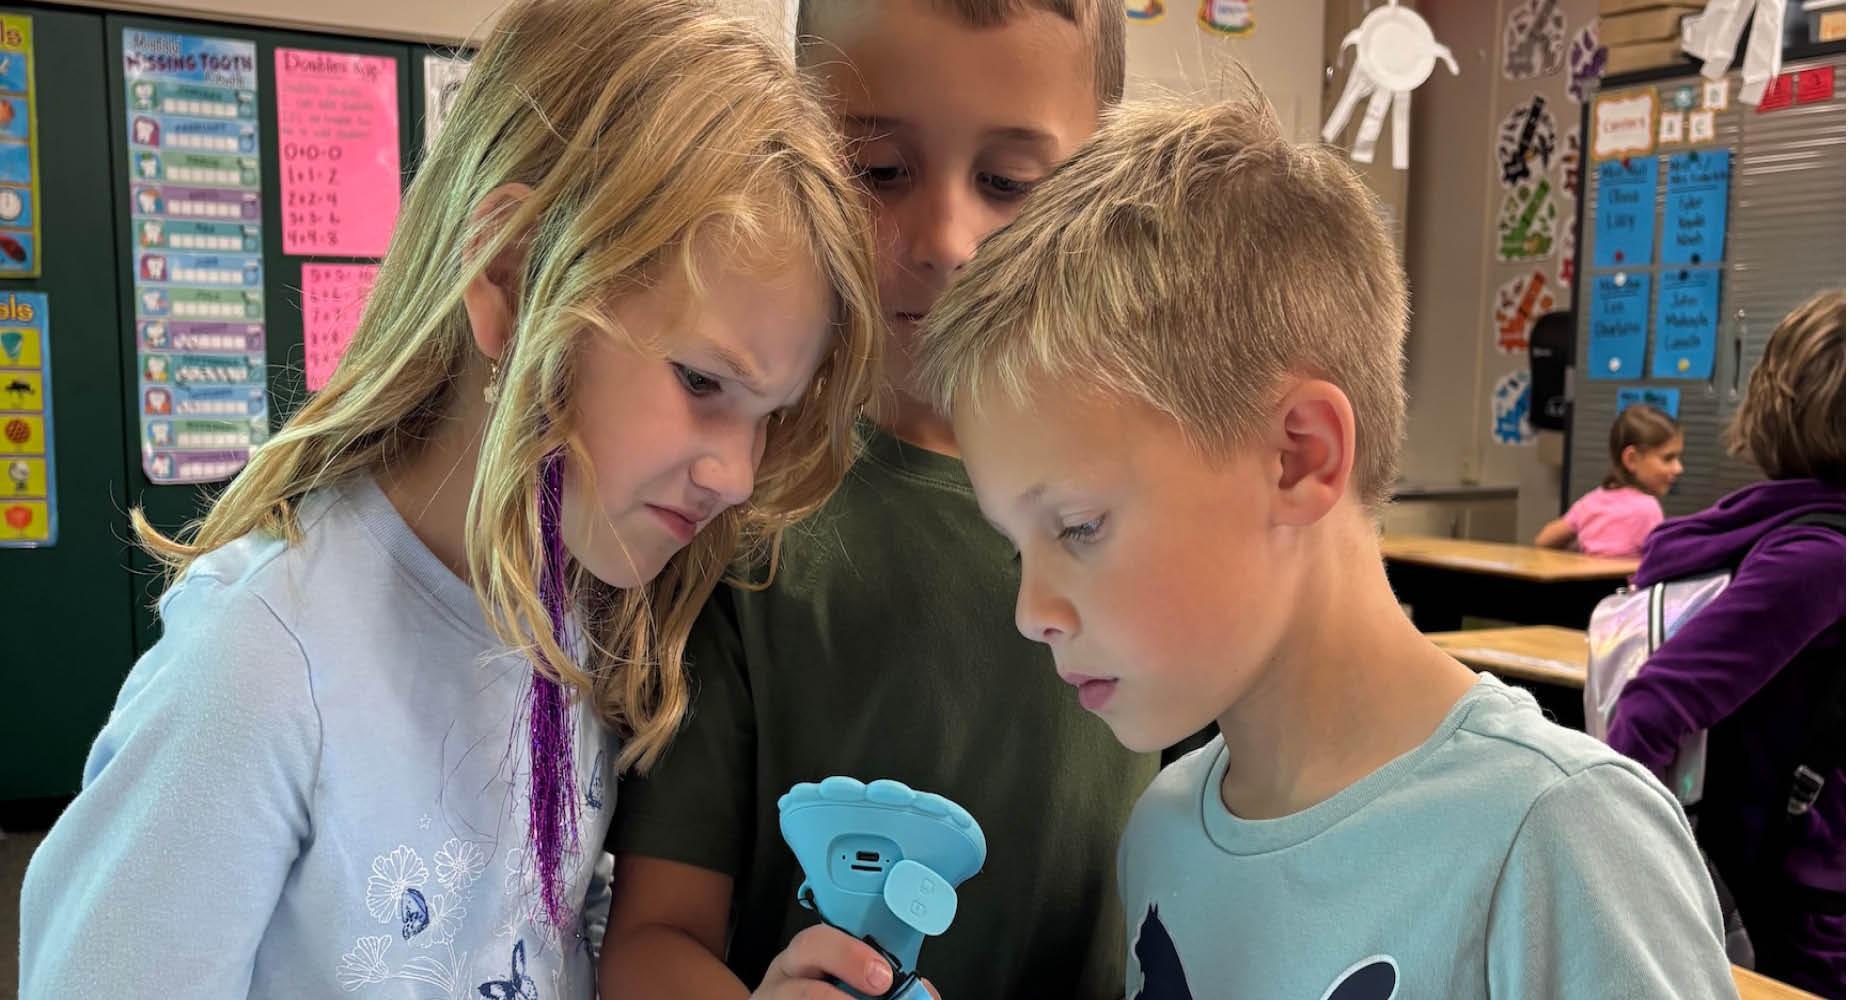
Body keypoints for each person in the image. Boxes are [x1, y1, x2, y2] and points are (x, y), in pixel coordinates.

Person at [18, 0, 881, 994]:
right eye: (700, 384)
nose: (733, 473)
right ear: (508, 276)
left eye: (765, 414)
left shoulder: (573, 610)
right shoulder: (259, 671)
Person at [914, 96, 1738, 998]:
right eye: (1016, 550)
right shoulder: (1163, 830)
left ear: (1299, 456)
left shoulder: (1559, 838)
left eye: (1077, 526)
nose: (1032, 613)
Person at [600, 3, 1156, 998]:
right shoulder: (734, 517)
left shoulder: (1170, 515)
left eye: (1008, 183)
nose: (945, 240)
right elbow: (651, 939)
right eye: (879, 173)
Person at [1608, 290, 1847, 999]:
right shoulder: (1818, 556)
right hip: (1795, 914)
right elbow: (1651, 707)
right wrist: (1634, 875)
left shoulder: (1795, 533)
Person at [1536, 403, 1683, 558]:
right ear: (1632, 459)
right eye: (1668, 459)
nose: (1679, 468)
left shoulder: (1591, 502)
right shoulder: (1648, 509)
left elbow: (1544, 540)